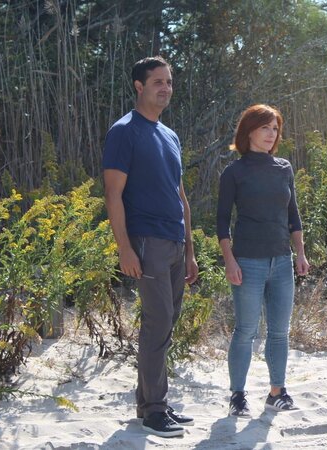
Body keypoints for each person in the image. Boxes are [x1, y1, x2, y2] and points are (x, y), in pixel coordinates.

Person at [103, 56, 198, 438]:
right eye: (158, 82)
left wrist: (190, 250)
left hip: (174, 242)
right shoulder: (124, 132)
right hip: (147, 241)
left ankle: (149, 405)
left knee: (166, 323)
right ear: (139, 86)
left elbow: (180, 196)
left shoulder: (169, 135)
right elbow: (113, 194)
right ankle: (155, 410)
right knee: (157, 322)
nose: (165, 88)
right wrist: (125, 248)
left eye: (169, 82)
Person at [216, 104, 310, 417]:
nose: (271, 134)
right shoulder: (234, 172)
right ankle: (238, 396)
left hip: (282, 261)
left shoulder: (284, 168)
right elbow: (222, 221)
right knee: (246, 330)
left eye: (275, 129)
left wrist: (300, 252)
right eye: (264, 128)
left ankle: (277, 392)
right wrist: (230, 260)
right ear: (249, 131)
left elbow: (293, 214)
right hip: (248, 263)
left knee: (280, 332)